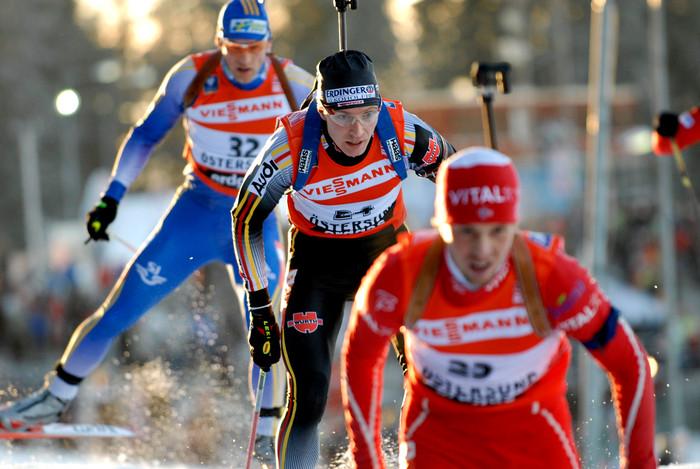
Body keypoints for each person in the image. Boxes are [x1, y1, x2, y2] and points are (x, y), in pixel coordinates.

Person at [0, 0, 313, 463]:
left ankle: (266, 432)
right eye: (235, 47)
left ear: (268, 44)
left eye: (255, 47)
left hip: (255, 217)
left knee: (268, 331)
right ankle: (55, 397)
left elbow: (329, 148)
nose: (245, 58)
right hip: (196, 213)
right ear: (219, 43)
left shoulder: (296, 83)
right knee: (118, 309)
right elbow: (146, 135)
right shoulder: (192, 76)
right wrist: (111, 198)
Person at [341, 147, 657, 468]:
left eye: (497, 231)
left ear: (515, 226)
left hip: (533, 431)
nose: (483, 251)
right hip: (440, 437)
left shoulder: (551, 274)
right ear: (441, 226)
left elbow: (630, 363)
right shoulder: (402, 272)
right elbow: (361, 360)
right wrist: (368, 462)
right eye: (465, 231)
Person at [232, 49, 455, 468]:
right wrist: (259, 306)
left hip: (386, 255)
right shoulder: (290, 145)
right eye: (342, 117)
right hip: (318, 265)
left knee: (427, 374)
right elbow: (245, 219)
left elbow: (457, 175)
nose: (357, 130)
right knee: (310, 393)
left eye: (367, 114)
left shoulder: (402, 130)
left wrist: (456, 252)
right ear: (321, 109)